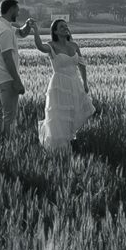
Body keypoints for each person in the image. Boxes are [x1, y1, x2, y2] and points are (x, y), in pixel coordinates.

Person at [32, 17, 93, 152]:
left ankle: (71, 142)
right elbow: (40, 47)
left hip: (75, 83)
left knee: (73, 114)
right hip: (59, 86)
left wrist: (85, 83)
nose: (65, 28)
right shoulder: (51, 45)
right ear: (55, 31)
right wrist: (35, 30)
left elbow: (82, 65)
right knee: (59, 116)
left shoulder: (74, 45)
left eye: (66, 26)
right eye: (61, 27)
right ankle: (59, 148)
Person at [0, 0, 36, 136]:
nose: (18, 13)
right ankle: (8, 141)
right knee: (9, 116)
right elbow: (7, 58)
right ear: (11, 9)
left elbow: (20, 33)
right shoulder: (5, 30)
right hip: (6, 77)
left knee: (0, 113)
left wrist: (27, 25)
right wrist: (17, 81)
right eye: (17, 10)